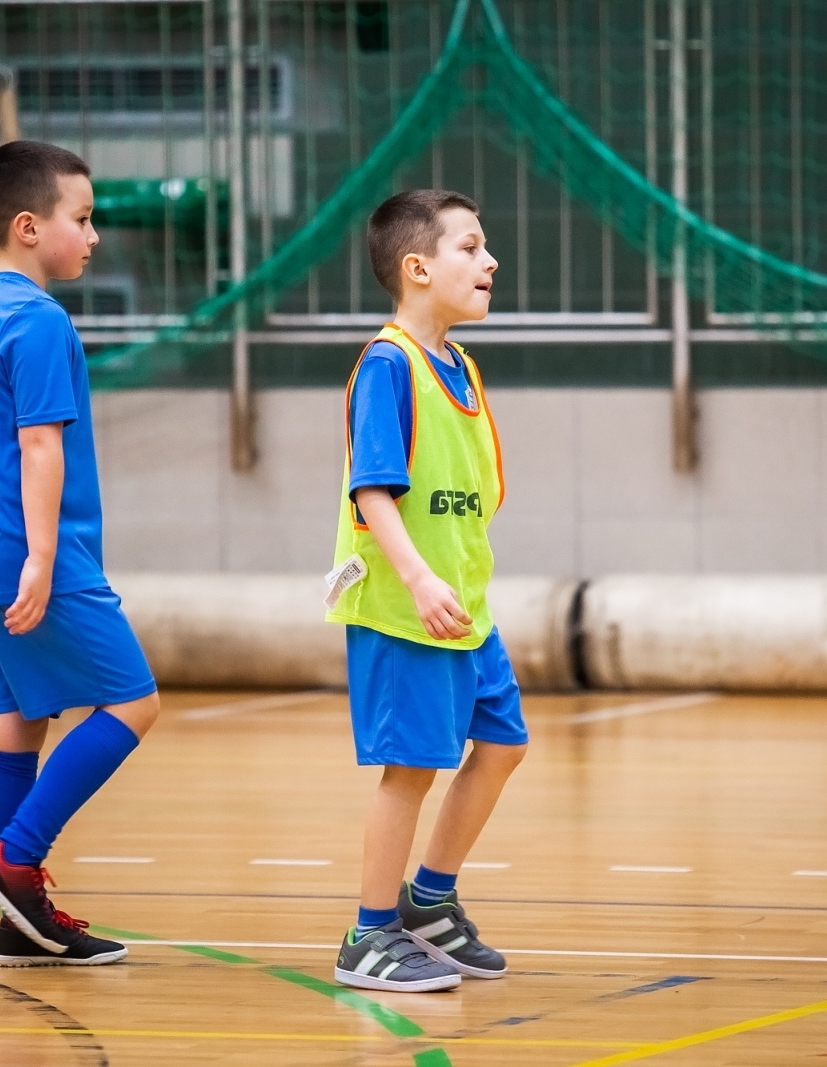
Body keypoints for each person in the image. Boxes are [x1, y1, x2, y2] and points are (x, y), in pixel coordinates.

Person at [0, 141, 159, 966]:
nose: (95, 234)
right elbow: (39, 446)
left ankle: (18, 920)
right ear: (31, 227)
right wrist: (41, 556)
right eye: (84, 216)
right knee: (134, 702)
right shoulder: (38, 320)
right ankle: (14, 857)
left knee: (14, 723)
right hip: (26, 551)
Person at [325, 189, 529, 992]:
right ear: (417, 268)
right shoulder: (388, 364)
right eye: (471, 247)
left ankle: (430, 901)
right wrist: (416, 575)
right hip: (408, 609)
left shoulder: (459, 365)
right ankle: (368, 937)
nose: (490, 262)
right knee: (409, 769)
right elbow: (372, 491)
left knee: (504, 744)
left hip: (465, 612)